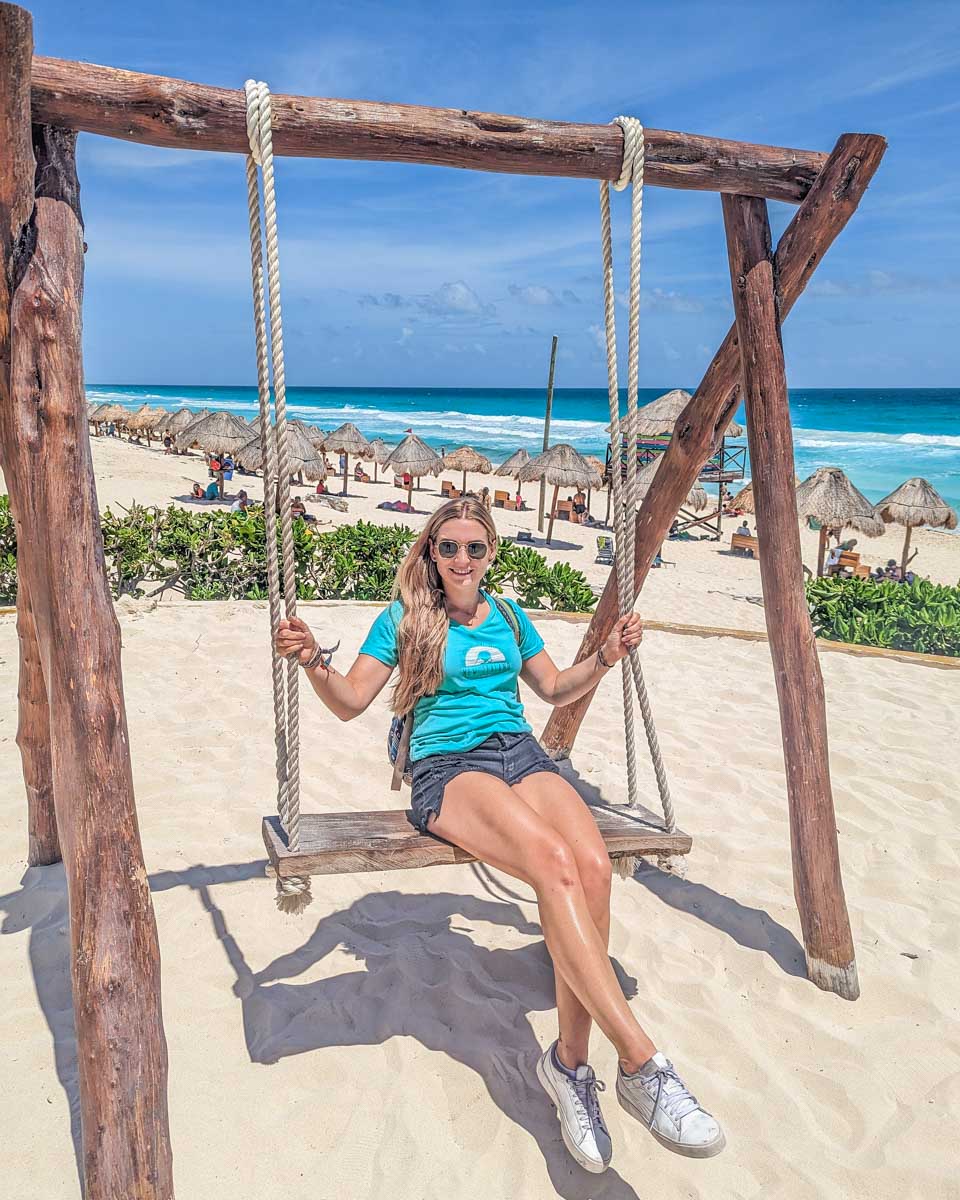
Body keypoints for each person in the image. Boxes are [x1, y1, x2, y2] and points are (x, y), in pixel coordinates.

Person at [275, 497, 725, 1172]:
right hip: (448, 765)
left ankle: (569, 1066)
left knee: (594, 868)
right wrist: (312, 658)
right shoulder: (405, 618)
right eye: (448, 547)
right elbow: (348, 702)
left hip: (523, 754)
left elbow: (552, 688)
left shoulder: (511, 614)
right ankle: (641, 1062)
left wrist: (605, 656)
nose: (461, 559)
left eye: (474, 548)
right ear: (430, 552)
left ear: (491, 554)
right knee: (552, 863)